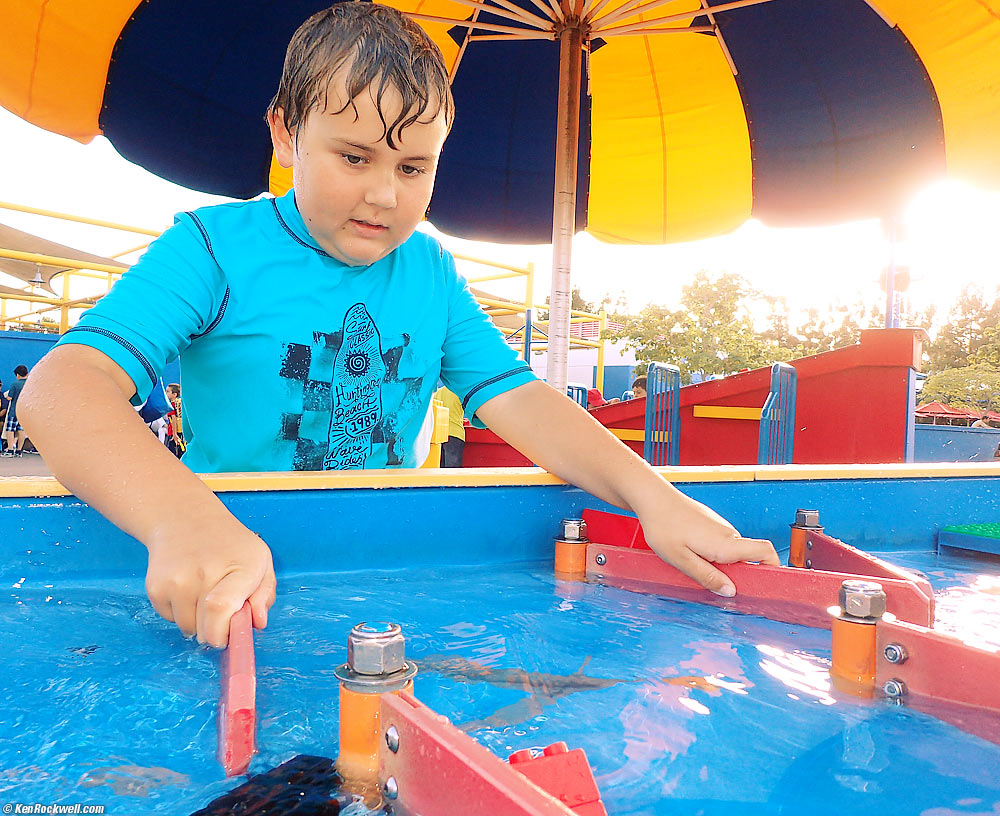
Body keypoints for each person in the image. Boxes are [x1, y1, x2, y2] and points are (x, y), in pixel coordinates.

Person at [18, 3, 776, 648]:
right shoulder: (214, 249)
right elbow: (60, 392)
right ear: (285, 135)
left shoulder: (431, 274)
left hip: (386, 576)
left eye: (413, 168)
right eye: (353, 156)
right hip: (233, 572)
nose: (383, 194)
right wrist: (178, 519)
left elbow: (520, 399)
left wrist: (655, 498)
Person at [433, 385, 464, 467]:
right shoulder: (460, 391)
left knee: (440, 468)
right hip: (455, 433)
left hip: (439, 435)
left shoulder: (437, 392)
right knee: (453, 469)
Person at [2, 365, 28, 457]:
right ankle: (19, 451)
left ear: (17, 375)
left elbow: (9, 397)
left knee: (10, 430)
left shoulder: (14, 384)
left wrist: (6, 396)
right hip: (24, 412)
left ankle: (10, 450)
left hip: (14, 411)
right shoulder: (30, 384)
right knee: (21, 431)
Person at [165, 383, 186, 459]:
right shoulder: (179, 403)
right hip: (180, 432)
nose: (166, 393)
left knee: (172, 453)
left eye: (168, 391)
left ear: (174, 394)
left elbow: (173, 418)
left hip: (174, 433)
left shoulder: (171, 405)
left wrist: (174, 434)